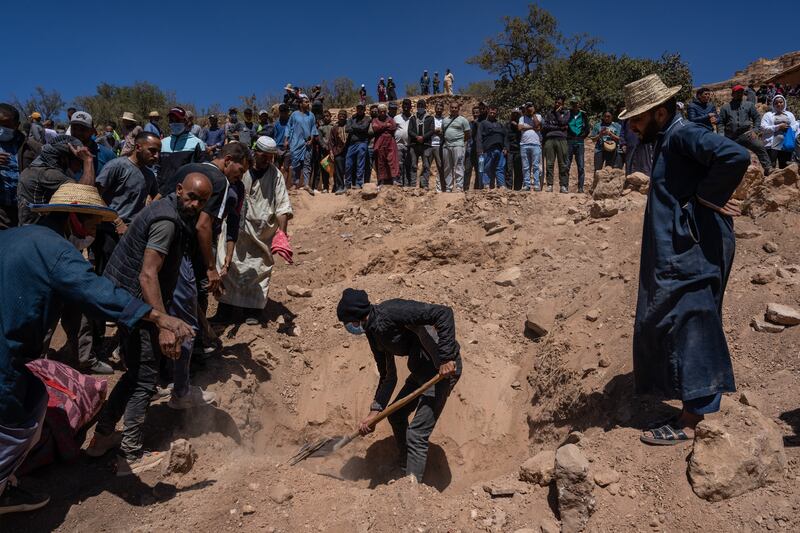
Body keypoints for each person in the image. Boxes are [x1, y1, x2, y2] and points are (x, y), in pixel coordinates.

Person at [0, 182, 193, 514]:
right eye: (90, 222)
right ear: (74, 218)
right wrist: (157, 317)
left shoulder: (13, 236)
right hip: (6, 355)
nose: (93, 230)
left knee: (34, 398)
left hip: (12, 348)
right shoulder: (58, 253)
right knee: (19, 422)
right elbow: (97, 292)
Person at [617, 74, 750, 446]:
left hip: (695, 249)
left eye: (638, 119)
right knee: (675, 318)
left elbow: (734, 155)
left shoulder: (682, 133)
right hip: (683, 250)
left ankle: (693, 419)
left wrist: (707, 197)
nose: (631, 126)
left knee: (694, 319)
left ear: (660, 112)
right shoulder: (668, 138)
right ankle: (689, 404)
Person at [87, 173, 212, 474]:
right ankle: (130, 454)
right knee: (145, 378)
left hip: (126, 299)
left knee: (135, 374)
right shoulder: (167, 222)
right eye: (191, 196)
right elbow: (147, 274)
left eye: (202, 201)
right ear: (179, 189)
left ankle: (101, 438)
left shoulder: (166, 209)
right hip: (137, 301)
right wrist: (164, 325)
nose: (194, 204)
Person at [336, 288, 461, 483]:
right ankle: (406, 465)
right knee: (396, 415)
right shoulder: (373, 333)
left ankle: (411, 490)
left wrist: (446, 357)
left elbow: (443, 313)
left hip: (442, 372)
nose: (349, 328)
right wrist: (374, 413)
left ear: (356, 317)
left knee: (417, 433)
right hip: (421, 371)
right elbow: (388, 376)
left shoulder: (392, 311)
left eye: (348, 323)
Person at [68, 131, 162, 375]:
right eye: (152, 150)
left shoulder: (149, 175)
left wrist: (146, 212)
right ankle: (95, 345)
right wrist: (116, 220)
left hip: (131, 237)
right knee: (102, 286)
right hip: (107, 233)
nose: (156, 155)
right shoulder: (117, 166)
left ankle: (122, 343)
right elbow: (96, 195)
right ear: (137, 147)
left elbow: (154, 194)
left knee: (126, 287)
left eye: (158, 151)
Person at [215, 137, 293, 324]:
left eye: (271, 157)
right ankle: (225, 310)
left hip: (261, 232)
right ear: (254, 152)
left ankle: (254, 311)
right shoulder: (241, 169)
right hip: (236, 228)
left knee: (258, 270)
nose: (267, 160)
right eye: (263, 155)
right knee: (229, 266)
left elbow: (283, 206)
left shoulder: (276, 176)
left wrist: (281, 233)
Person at [17, 135, 96, 225]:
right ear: (64, 158)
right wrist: (88, 161)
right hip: (40, 232)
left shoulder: (35, 168)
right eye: (79, 161)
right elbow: (85, 196)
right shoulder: (48, 174)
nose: (80, 167)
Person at [718, 85, 772, 175]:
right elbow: (720, 123)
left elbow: (757, 118)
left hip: (746, 134)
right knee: (726, 154)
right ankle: (725, 174)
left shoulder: (749, 105)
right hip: (731, 136)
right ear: (733, 94)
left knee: (759, 146)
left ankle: (768, 168)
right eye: (737, 92)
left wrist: (755, 130)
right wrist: (721, 135)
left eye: (741, 92)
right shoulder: (725, 107)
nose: (739, 94)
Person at [157, 106, 207, 193]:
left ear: (185, 121)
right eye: (171, 120)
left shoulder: (197, 143)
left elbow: (200, 173)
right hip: (160, 193)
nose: (174, 123)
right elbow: (156, 168)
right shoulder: (162, 143)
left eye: (177, 120)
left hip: (183, 194)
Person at [1, 104, 32, 229]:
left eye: (6, 125)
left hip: (23, 211)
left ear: (16, 125)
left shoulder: (30, 147)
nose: (2, 129)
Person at [285, 95, 319, 193]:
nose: (308, 104)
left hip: (307, 143)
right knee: (295, 164)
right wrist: (286, 139)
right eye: (305, 102)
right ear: (300, 104)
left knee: (307, 163)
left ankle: (306, 184)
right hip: (295, 142)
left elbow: (313, 128)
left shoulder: (311, 115)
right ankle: (295, 184)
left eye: (308, 102)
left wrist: (312, 140)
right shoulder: (294, 114)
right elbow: (288, 126)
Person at [760, 94, 798, 170]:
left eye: (781, 102)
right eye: (776, 103)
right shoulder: (768, 115)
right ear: (773, 104)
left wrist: (789, 127)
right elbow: (763, 127)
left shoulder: (789, 115)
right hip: (772, 145)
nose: (779, 104)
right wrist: (778, 127)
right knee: (771, 166)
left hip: (786, 144)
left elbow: (795, 127)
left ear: (784, 103)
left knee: (785, 167)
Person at [542, 97, 570, 193]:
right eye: (556, 102)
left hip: (562, 139)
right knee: (549, 163)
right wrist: (558, 127)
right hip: (549, 139)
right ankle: (550, 185)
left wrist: (558, 114)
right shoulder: (549, 113)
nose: (557, 104)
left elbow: (564, 122)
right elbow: (545, 126)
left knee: (563, 164)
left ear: (563, 104)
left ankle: (563, 185)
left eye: (559, 103)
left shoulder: (566, 113)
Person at [441, 101, 471, 192]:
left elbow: (467, 134)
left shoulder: (463, 120)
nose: (454, 109)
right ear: (449, 108)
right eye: (452, 107)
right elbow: (443, 132)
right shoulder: (445, 120)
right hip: (446, 146)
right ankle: (448, 187)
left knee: (459, 166)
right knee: (447, 167)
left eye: (455, 108)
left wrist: (460, 142)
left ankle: (459, 187)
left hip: (458, 145)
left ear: (458, 109)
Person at [477, 105, 507, 189]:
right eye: (491, 110)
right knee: (486, 167)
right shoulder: (483, 123)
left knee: (500, 168)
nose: (493, 112)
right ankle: (486, 184)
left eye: (494, 111)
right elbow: (479, 137)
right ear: (488, 111)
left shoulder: (500, 124)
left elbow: (505, 136)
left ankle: (501, 185)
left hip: (500, 149)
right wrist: (479, 149)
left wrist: (505, 147)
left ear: (496, 112)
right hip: (488, 149)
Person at [407, 100, 435, 189]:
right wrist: (416, 137)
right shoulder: (412, 118)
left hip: (426, 145)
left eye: (422, 105)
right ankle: (413, 185)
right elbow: (409, 130)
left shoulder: (430, 118)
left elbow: (432, 130)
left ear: (425, 107)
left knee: (426, 165)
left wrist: (423, 137)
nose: (420, 107)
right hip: (414, 145)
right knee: (413, 165)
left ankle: (424, 184)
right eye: (419, 105)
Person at [370, 104, 399, 187]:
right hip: (380, 142)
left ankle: (394, 179)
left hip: (390, 142)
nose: (382, 113)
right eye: (380, 111)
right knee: (380, 161)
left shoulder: (390, 119)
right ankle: (381, 181)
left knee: (392, 160)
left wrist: (381, 127)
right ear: (378, 112)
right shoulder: (375, 120)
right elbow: (375, 128)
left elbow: (393, 127)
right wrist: (386, 126)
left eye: (384, 111)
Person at [566, 98, 590, 193]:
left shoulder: (583, 115)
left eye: (577, 103)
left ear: (579, 104)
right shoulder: (568, 114)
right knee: (567, 164)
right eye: (573, 103)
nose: (575, 105)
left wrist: (582, 136)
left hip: (580, 141)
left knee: (581, 166)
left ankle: (580, 188)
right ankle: (565, 186)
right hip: (570, 141)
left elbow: (587, 128)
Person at [345, 104, 371, 189]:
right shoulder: (352, 118)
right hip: (352, 144)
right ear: (356, 109)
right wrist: (358, 128)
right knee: (348, 164)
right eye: (358, 108)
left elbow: (364, 128)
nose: (360, 110)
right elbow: (347, 129)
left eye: (361, 108)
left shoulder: (367, 118)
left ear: (364, 109)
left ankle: (359, 183)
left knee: (360, 164)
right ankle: (347, 184)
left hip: (362, 142)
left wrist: (353, 127)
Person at [518, 102, 542, 191]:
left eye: (530, 107)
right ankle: (527, 184)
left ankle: (536, 184)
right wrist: (531, 127)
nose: (529, 109)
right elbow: (520, 128)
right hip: (524, 144)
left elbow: (537, 126)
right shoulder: (522, 118)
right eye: (527, 107)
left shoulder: (538, 116)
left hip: (536, 144)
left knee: (536, 165)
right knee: (525, 166)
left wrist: (533, 114)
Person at [390, 101, 411, 187]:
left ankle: (407, 184)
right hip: (398, 145)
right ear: (402, 106)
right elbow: (392, 130)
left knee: (408, 165)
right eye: (404, 105)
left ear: (410, 107)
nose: (406, 106)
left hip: (409, 145)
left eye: (407, 105)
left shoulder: (413, 118)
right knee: (399, 164)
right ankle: (398, 182)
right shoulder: (396, 118)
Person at [329, 110, 349, 194]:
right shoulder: (334, 128)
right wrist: (332, 152)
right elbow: (331, 141)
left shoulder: (349, 125)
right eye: (340, 115)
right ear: (338, 117)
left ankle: (348, 186)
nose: (342, 117)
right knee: (339, 170)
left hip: (348, 151)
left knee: (348, 168)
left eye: (344, 115)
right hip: (338, 151)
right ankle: (340, 186)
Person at [272, 104, 292, 186]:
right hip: (278, 148)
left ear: (288, 112)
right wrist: (275, 149)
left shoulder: (291, 123)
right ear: (279, 112)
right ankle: (276, 186)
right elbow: (274, 137)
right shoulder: (276, 124)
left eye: (285, 112)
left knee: (286, 168)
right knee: (277, 168)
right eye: (282, 112)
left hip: (288, 148)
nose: (284, 114)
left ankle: (284, 186)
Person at [314, 110, 333, 192]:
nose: (326, 117)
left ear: (330, 117)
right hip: (324, 151)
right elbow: (320, 139)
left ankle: (336, 186)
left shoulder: (334, 126)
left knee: (335, 168)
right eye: (324, 116)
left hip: (333, 150)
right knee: (325, 168)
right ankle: (325, 187)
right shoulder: (321, 128)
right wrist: (325, 146)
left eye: (327, 116)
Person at [429, 102, 446, 191]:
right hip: (429, 145)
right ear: (435, 109)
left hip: (440, 146)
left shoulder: (445, 120)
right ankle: (423, 187)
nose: (439, 110)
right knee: (426, 166)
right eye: (437, 108)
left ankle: (441, 189)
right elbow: (428, 129)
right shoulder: (430, 119)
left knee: (441, 167)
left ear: (443, 110)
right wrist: (434, 130)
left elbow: (446, 131)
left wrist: (440, 132)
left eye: (441, 108)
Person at [464, 106, 482, 190]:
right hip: (469, 151)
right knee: (467, 170)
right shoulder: (469, 124)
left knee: (479, 170)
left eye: (477, 112)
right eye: (474, 112)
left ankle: (477, 189)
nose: (475, 114)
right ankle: (465, 189)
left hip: (480, 152)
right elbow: (467, 136)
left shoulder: (482, 123)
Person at [505, 108, 522, 190]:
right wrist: (505, 147)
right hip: (509, 150)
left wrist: (517, 126)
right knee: (508, 170)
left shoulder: (522, 125)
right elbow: (505, 137)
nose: (515, 115)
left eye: (517, 114)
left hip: (519, 150)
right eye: (514, 114)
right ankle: (508, 187)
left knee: (519, 170)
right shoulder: (507, 125)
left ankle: (517, 188)